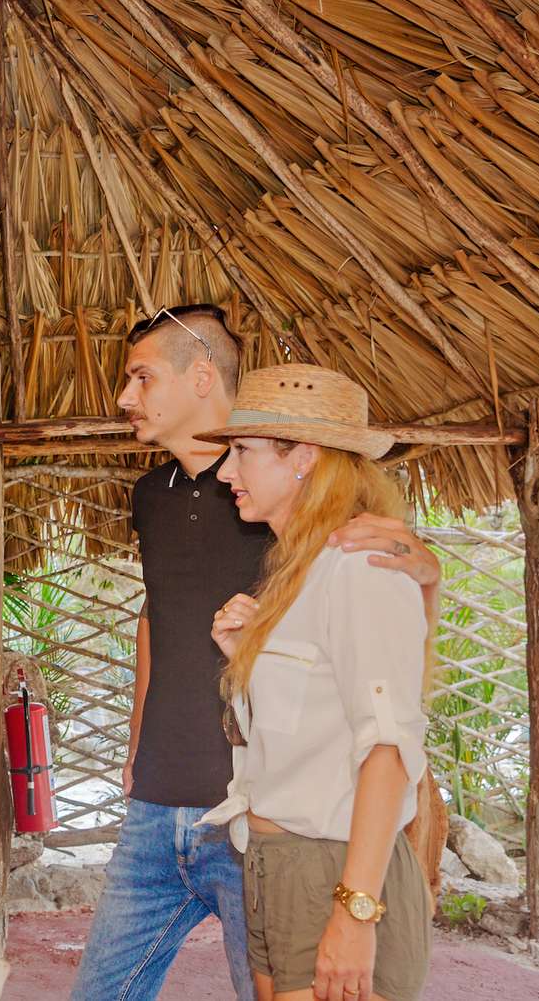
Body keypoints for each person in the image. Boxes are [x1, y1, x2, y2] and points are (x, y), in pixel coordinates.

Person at [70, 306, 438, 1001]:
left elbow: (387, 707)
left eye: (141, 378)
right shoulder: (162, 499)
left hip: (274, 826)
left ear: (201, 375)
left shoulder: (332, 538)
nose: (123, 398)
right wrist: (137, 741)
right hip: (189, 810)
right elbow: (159, 615)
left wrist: (430, 578)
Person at [197, 364, 434, 1001]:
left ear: (302, 457)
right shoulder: (298, 576)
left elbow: (388, 746)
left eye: (241, 451)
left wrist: (356, 912)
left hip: (334, 863)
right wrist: (246, 655)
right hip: (273, 864)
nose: (224, 472)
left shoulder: (363, 569)